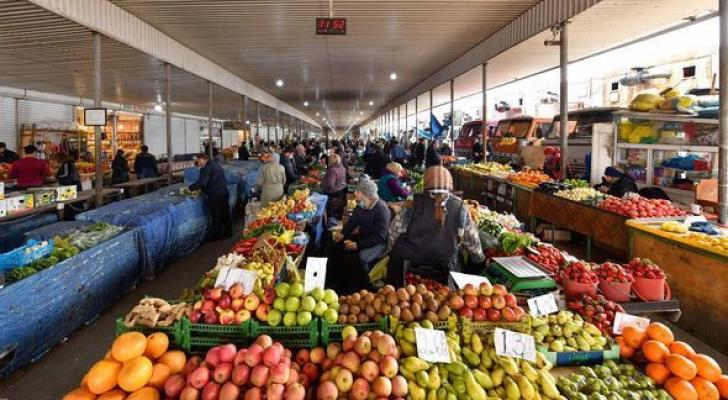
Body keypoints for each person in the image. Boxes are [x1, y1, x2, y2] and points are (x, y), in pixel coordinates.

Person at [385, 166, 485, 286]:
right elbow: (473, 242)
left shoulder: (413, 201)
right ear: (450, 184)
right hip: (445, 268)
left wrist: (391, 250)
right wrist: (479, 260)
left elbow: (394, 231)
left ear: (426, 183)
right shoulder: (459, 206)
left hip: (410, 267)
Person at [329, 177, 391, 293]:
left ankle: (367, 285)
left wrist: (357, 245)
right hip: (365, 236)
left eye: (358, 191)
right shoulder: (361, 206)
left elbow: (380, 236)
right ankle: (342, 279)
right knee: (337, 244)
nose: (355, 193)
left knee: (362, 257)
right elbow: (353, 222)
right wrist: (343, 234)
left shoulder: (382, 210)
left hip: (380, 242)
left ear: (365, 194)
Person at [189, 153, 232, 240]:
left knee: (216, 216)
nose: (198, 162)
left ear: (203, 159)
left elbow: (203, 182)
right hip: (223, 192)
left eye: (198, 160)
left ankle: (216, 235)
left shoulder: (206, 168)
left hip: (215, 195)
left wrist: (191, 188)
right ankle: (228, 233)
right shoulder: (216, 165)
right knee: (225, 214)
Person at [321, 153, 348, 220]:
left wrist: (322, 184)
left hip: (333, 193)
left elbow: (330, 184)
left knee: (331, 210)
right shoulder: (342, 167)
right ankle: (337, 220)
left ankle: (331, 224)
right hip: (340, 191)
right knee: (338, 208)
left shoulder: (333, 170)